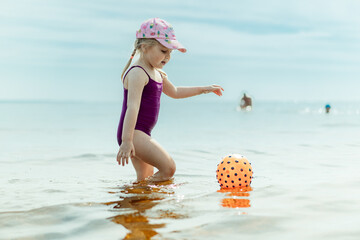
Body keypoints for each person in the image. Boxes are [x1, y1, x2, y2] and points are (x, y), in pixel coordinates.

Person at [116, 18, 224, 182]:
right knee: (168, 168)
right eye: (163, 51)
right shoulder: (138, 72)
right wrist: (126, 141)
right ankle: (136, 196)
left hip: (141, 133)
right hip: (133, 133)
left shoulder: (156, 72)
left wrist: (204, 89)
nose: (167, 57)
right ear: (144, 47)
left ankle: (135, 202)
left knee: (144, 178)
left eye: (170, 53)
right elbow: (132, 107)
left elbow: (175, 92)